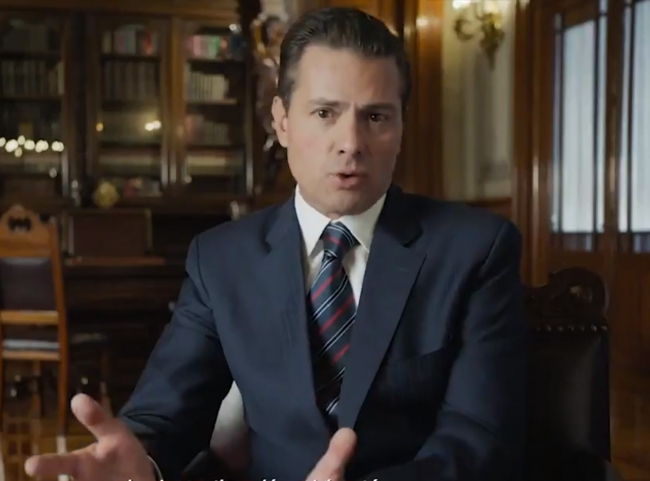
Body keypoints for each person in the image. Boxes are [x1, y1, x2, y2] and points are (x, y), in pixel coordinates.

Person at [24, 6, 526, 481]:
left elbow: (477, 433)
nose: (350, 143)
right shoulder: (221, 259)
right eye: (325, 113)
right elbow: (169, 410)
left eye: (375, 117)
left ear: (400, 127)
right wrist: (141, 460)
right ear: (282, 121)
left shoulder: (475, 250)